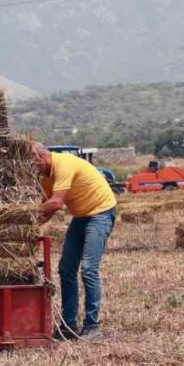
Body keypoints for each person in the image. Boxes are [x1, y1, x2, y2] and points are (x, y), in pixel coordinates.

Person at [32, 143, 117, 341]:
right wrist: (29, 228)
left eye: (33, 164)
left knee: (88, 268)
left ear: (42, 157)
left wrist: (24, 217)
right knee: (66, 269)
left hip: (100, 213)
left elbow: (56, 202)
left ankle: (92, 327)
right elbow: (47, 209)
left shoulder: (64, 164)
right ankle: (68, 326)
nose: (32, 169)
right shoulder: (46, 177)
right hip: (81, 216)